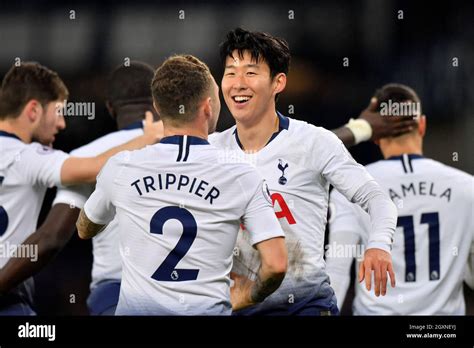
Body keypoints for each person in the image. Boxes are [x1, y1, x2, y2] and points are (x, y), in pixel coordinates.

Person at [76, 55, 288, 315]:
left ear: (157, 106)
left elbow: (85, 228)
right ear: (208, 107)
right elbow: (276, 265)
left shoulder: (121, 166)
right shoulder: (242, 174)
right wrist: (248, 295)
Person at [209, 28, 397, 315]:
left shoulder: (314, 142)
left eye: (250, 73)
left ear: (278, 82)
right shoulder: (210, 151)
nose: (238, 84)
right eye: (230, 72)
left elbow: (376, 197)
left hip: (305, 306)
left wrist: (379, 245)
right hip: (238, 307)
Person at [0, 61, 160, 315]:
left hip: (114, 298)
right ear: (33, 111)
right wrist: (146, 138)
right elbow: (97, 165)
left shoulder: (86, 151)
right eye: (59, 111)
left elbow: (51, 238)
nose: (62, 124)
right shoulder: (31, 157)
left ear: (110, 108)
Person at [327, 83, 474, 315]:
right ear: (422, 125)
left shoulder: (350, 188)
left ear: (375, 136)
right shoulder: (468, 188)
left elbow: (337, 271)